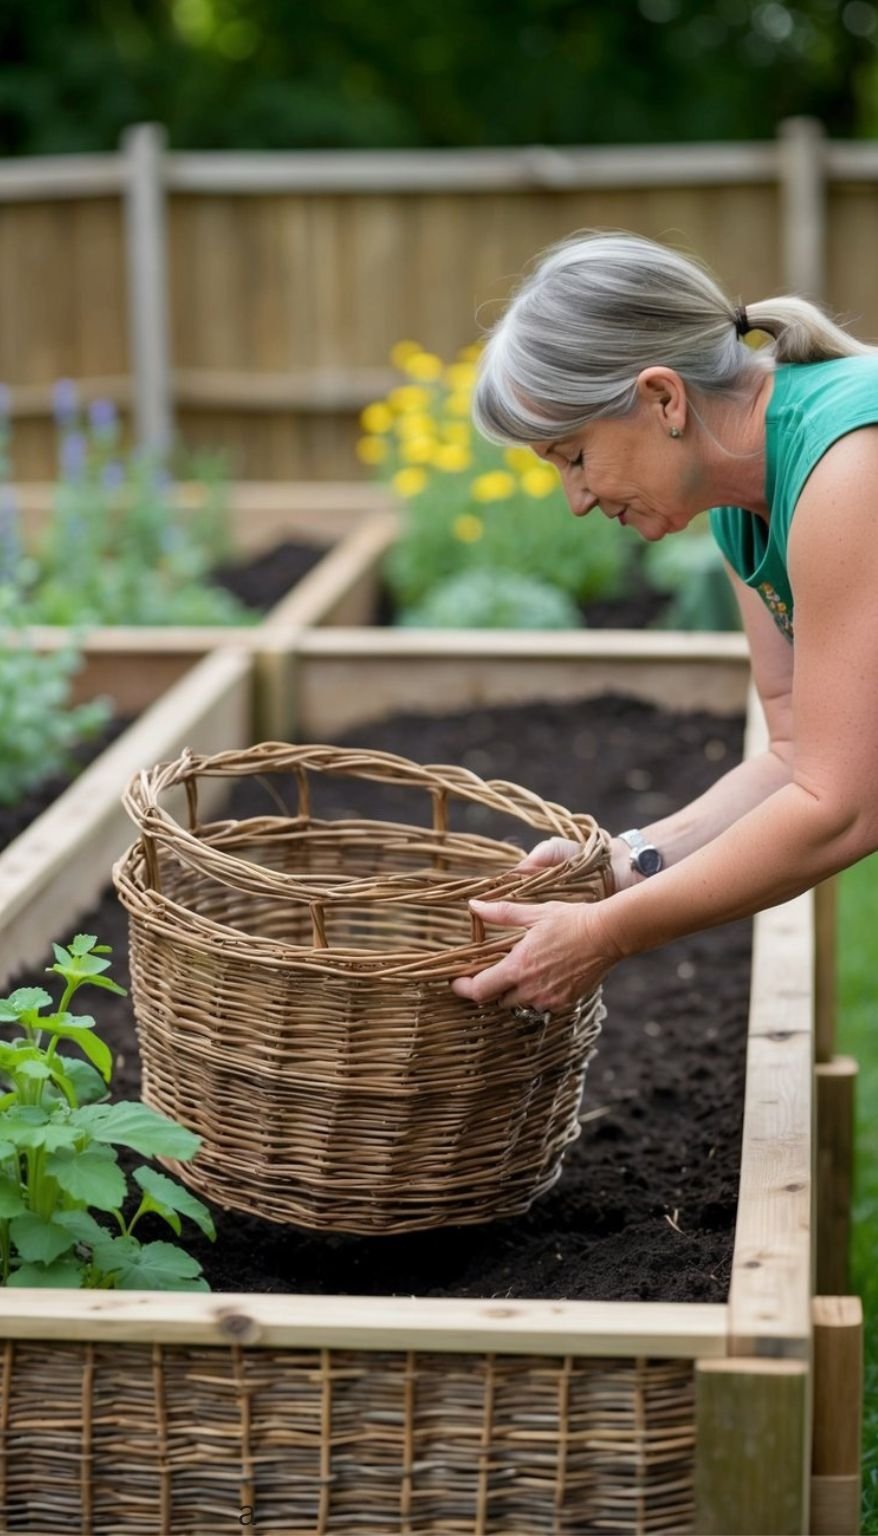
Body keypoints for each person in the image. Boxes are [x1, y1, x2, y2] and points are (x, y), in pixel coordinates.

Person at [451, 230, 878, 1021]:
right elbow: (792, 752)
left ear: (663, 399)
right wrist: (620, 863)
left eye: (573, 457)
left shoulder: (851, 465)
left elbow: (843, 805)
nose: (576, 500)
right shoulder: (744, 504)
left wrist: (603, 933)